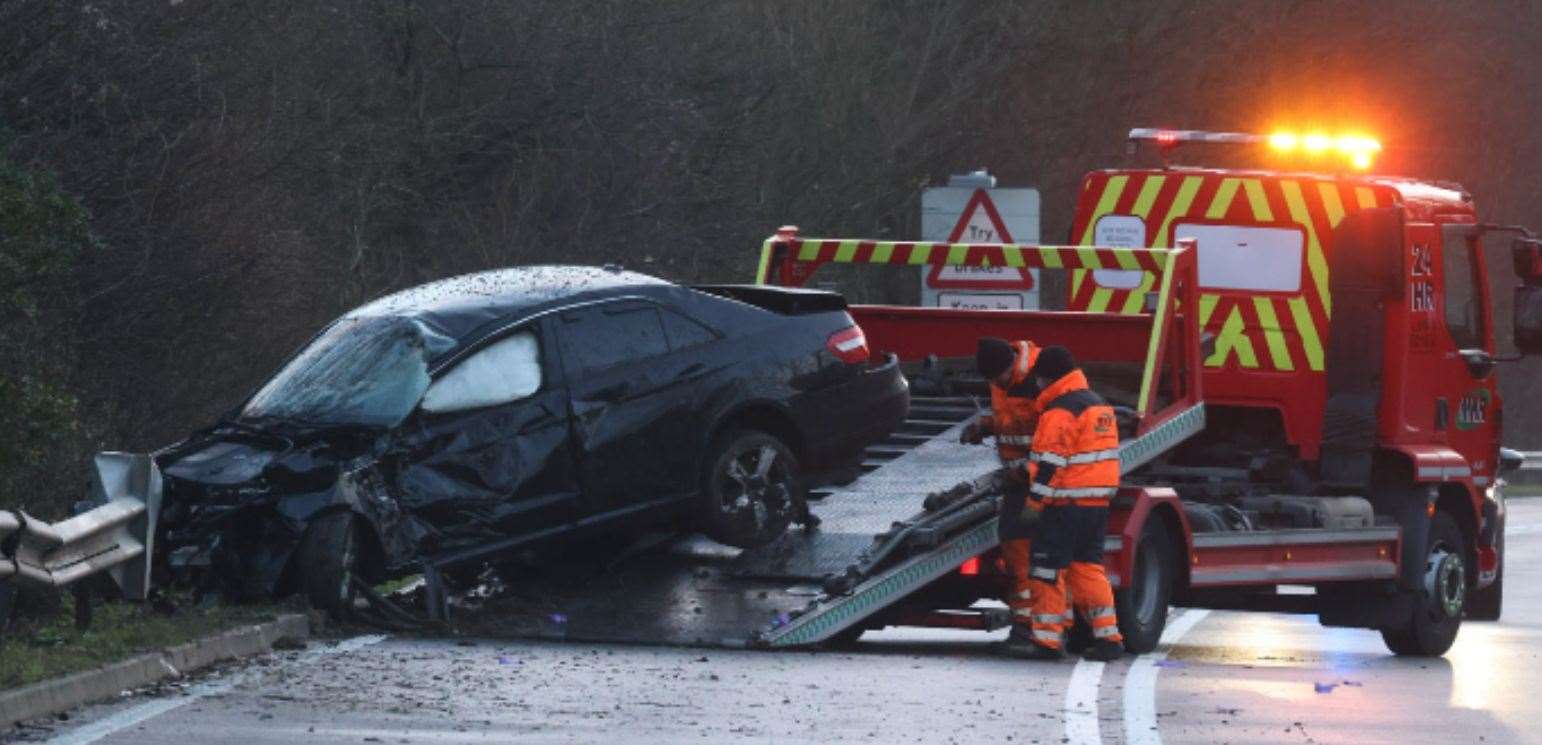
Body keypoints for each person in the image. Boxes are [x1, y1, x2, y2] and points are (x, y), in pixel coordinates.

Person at [1004, 345, 1125, 662]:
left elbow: (1049, 465)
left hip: (1064, 506)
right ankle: (1109, 637)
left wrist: (1034, 504)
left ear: (1047, 378)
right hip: (1095, 505)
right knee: (1088, 570)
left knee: (1046, 571)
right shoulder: (1099, 406)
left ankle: (1046, 641)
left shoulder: (1059, 412)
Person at [960, 337, 1065, 652]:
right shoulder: (1003, 378)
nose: (997, 384)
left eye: (1000, 378)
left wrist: (1023, 470)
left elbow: (1056, 437)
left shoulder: (1040, 378)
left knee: (1025, 544)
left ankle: (1033, 627)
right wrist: (986, 426)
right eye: (992, 381)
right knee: (1017, 543)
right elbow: (1009, 418)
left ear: (1010, 366)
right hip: (1023, 479)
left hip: (1041, 479)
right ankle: (1033, 625)